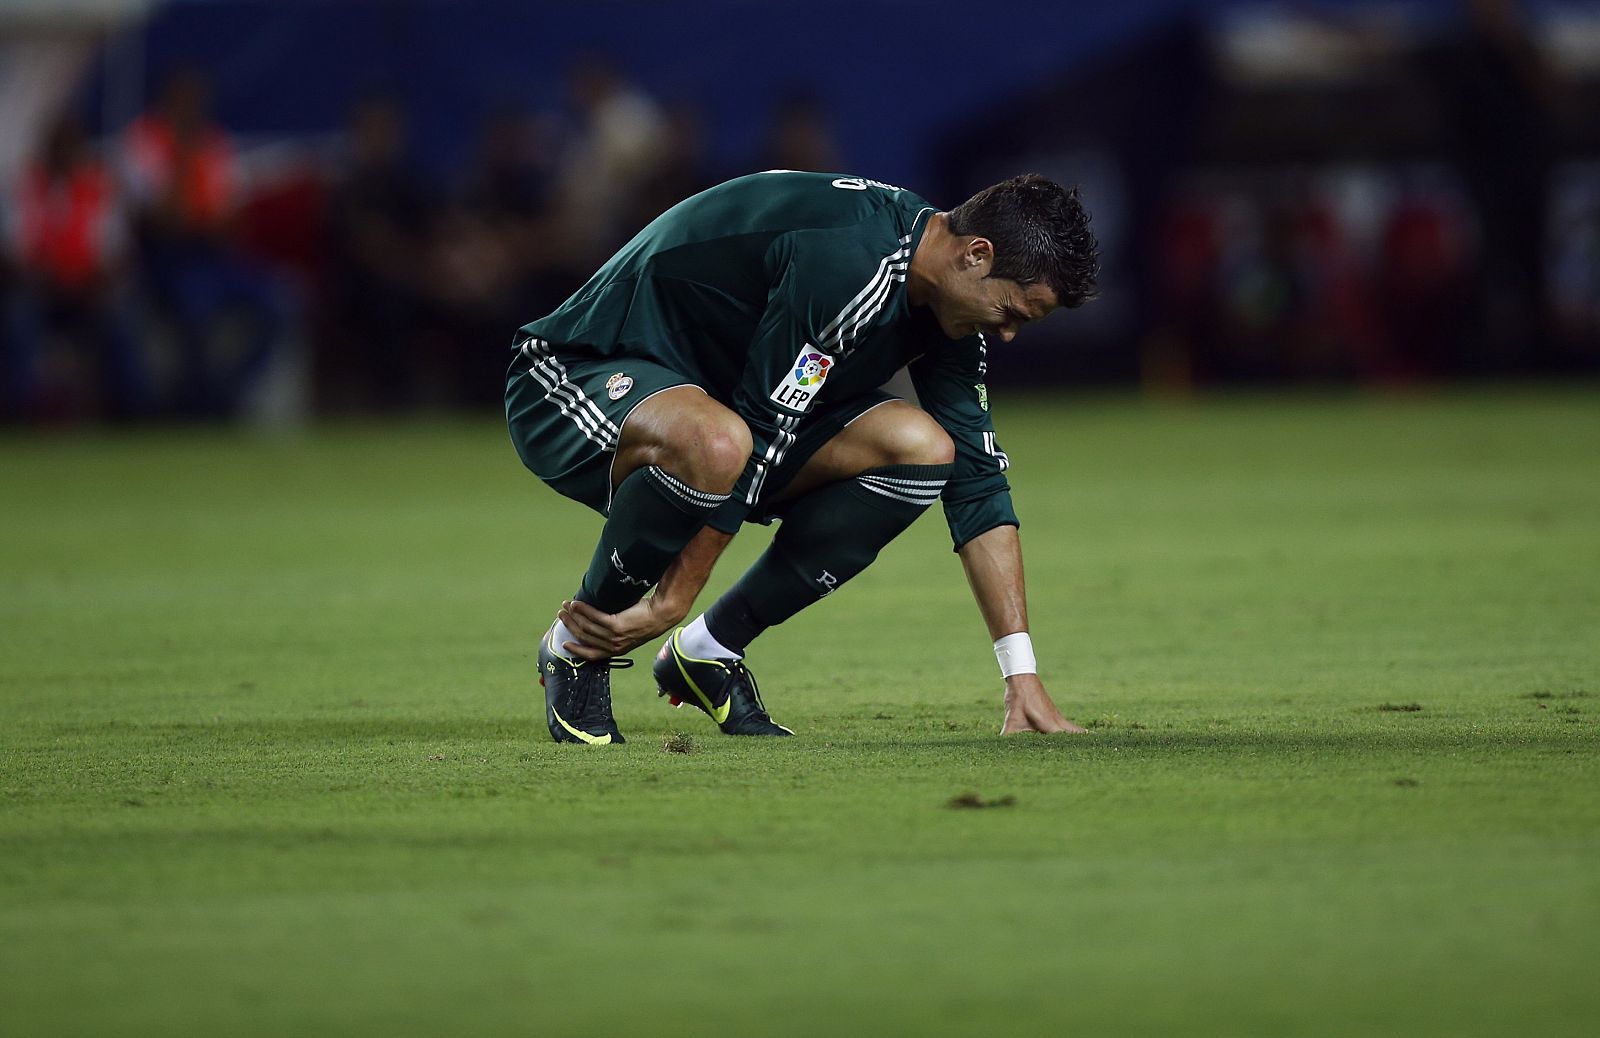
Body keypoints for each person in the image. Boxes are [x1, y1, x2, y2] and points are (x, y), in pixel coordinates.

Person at [505, 170, 1099, 744]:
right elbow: (760, 434)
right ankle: (579, 645)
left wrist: (1021, 677)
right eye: (1015, 312)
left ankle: (709, 650)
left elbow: (978, 480)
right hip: (574, 374)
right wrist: (671, 600)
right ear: (976, 254)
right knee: (720, 445)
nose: (1010, 333)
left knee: (924, 450)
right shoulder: (851, 261)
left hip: (721, 412)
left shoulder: (936, 298)